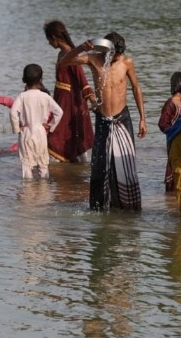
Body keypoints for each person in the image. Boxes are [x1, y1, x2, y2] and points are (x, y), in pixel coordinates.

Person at [60, 32, 147, 210]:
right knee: (100, 165)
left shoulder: (126, 62)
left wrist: (143, 119)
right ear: (106, 50)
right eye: (113, 55)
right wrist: (81, 48)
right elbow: (64, 62)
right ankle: (99, 207)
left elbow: (136, 88)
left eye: (118, 56)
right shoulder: (93, 59)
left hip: (122, 118)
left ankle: (128, 207)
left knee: (126, 163)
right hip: (103, 119)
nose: (115, 59)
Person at [44, 20, 98, 163]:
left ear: (54, 38)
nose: (49, 44)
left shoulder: (70, 54)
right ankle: (73, 171)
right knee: (67, 135)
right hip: (62, 102)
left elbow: (82, 81)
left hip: (70, 104)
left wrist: (93, 101)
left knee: (58, 135)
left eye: (49, 40)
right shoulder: (62, 53)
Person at [9, 64, 63, 179]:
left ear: (24, 80)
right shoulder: (45, 96)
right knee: (43, 164)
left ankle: (27, 193)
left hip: (26, 132)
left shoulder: (22, 96)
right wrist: (50, 126)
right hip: (41, 132)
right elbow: (59, 112)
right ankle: (44, 193)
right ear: (41, 80)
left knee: (27, 165)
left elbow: (13, 113)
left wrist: (17, 129)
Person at [0, 84, 51, 154]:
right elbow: (8, 102)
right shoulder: (24, 108)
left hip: (42, 144)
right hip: (25, 143)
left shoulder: (51, 114)